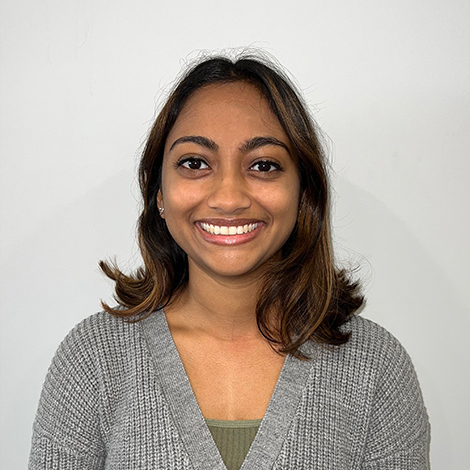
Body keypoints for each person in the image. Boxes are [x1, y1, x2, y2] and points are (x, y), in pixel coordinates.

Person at [29, 53, 430, 470]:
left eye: (263, 165)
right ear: (159, 193)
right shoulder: (93, 360)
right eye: (195, 163)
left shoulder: (376, 368)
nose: (229, 198)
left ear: (303, 194)